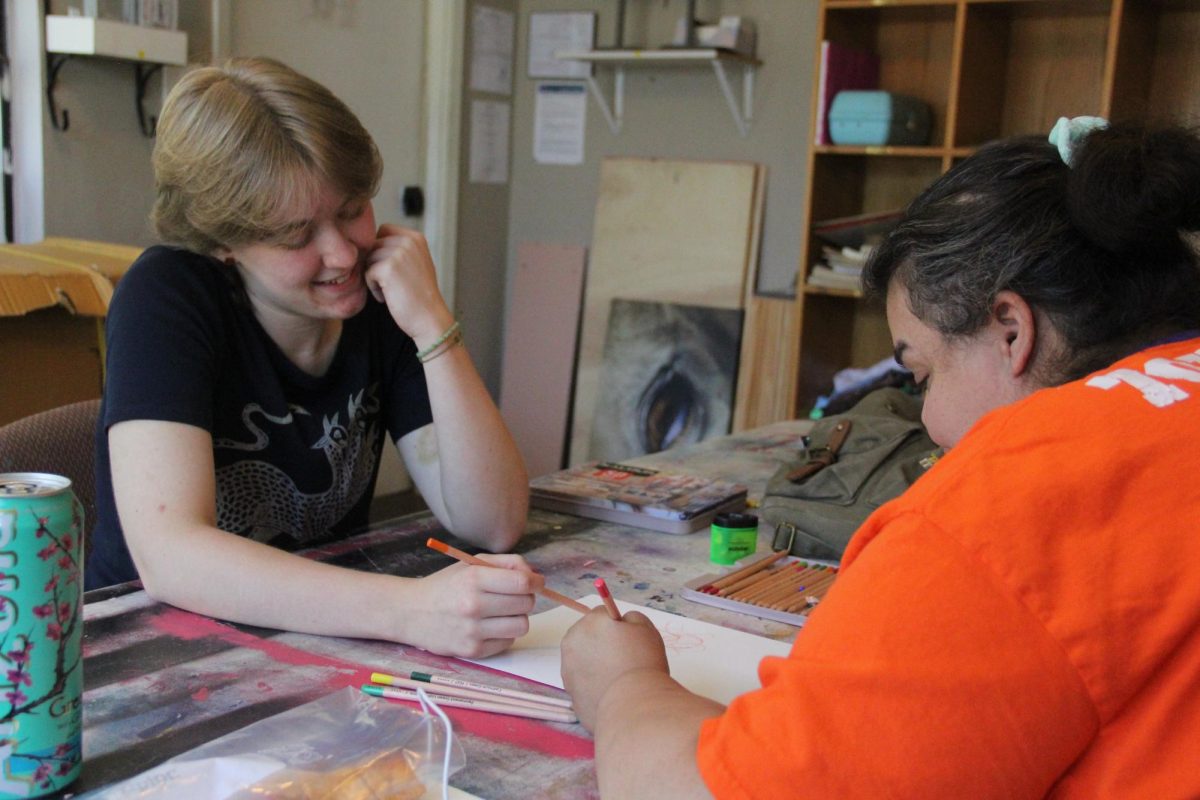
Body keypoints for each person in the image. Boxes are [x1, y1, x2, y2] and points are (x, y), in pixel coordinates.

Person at [561, 119, 1200, 798]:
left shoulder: (1011, 501)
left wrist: (623, 687)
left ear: (1011, 330)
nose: (925, 420)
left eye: (921, 374)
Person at [88, 57, 537, 659]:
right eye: (296, 236)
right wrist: (408, 610)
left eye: (352, 209)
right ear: (221, 241)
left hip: (315, 637)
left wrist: (433, 323)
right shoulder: (166, 296)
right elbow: (170, 556)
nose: (342, 255)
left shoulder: (380, 296)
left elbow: (494, 522)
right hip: (154, 650)